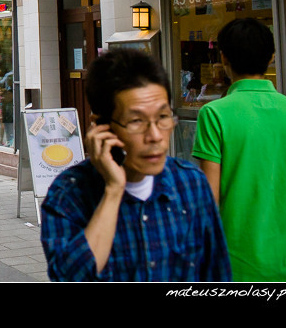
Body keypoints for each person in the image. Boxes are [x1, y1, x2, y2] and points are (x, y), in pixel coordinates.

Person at [40, 48, 231, 282]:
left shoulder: (190, 184)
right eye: (136, 121)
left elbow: (217, 274)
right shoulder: (68, 194)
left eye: (163, 118)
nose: (155, 136)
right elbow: (69, 277)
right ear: (101, 126)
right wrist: (113, 191)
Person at [192, 18, 286, 282]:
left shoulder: (214, 114)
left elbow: (209, 201)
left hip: (234, 264)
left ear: (223, 58)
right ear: (271, 58)